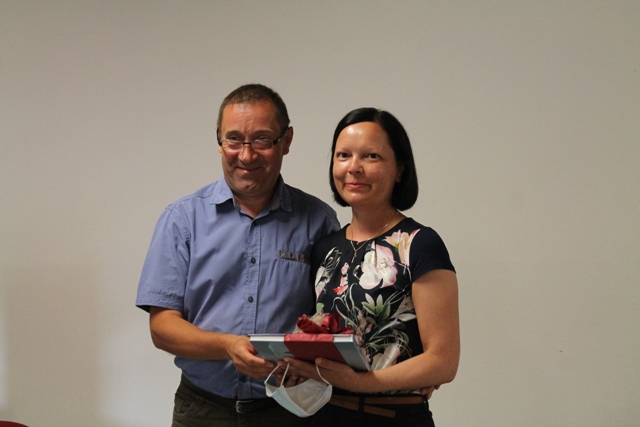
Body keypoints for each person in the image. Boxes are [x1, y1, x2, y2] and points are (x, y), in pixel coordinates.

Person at [136, 83, 340, 427]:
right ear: (219, 138)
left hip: (289, 410)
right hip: (201, 411)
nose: (246, 156)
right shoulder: (182, 220)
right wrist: (227, 346)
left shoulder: (319, 222)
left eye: (262, 140)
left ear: (286, 140)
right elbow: (162, 328)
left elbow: (336, 318)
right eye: (234, 140)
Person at [284, 108, 460, 426]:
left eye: (371, 156)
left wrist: (361, 383)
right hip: (324, 416)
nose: (354, 167)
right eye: (343, 155)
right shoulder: (325, 248)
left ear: (400, 170)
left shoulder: (420, 243)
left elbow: (443, 361)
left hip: (394, 417)